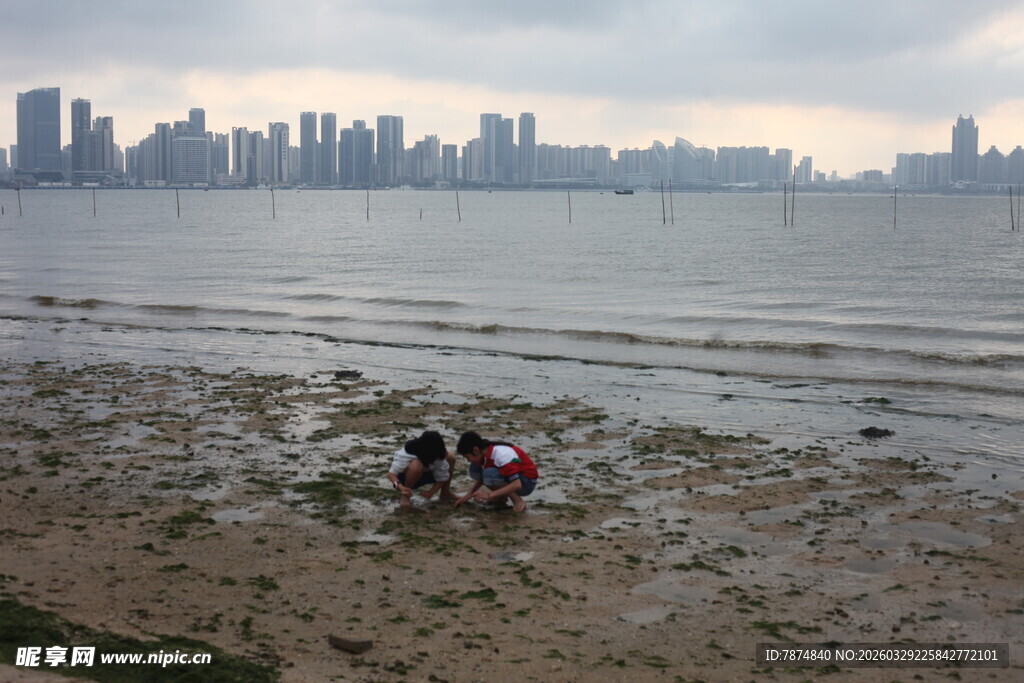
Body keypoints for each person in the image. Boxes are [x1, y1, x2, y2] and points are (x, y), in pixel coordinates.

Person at [453, 431, 538, 512]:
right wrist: (468, 496)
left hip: (526, 482)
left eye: (468, 457)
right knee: (476, 467)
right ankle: (500, 498)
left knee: (489, 474)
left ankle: (517, 500)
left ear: (476, 450)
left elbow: (517, 484)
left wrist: (489, 495)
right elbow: (481, 480)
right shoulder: (483, 454)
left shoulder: (502, 454)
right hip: (514, 479)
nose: (468, 460)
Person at [387, 431, 457, 508]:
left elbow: (443, 476)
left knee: (450, 457)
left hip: (427, 474)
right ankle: (405, 496)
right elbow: (391, 474)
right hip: (405, 478)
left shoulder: (438, 452)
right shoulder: (408, 452)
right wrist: (400, 487)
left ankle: (445, 492)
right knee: (416, 465)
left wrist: (431, 492)